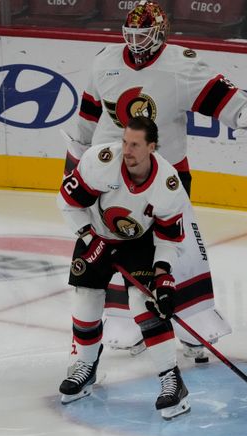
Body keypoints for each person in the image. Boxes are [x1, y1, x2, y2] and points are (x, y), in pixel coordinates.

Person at [61, 0, 247, 361]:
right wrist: (74, 163)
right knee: (116, 247)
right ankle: (124, 320)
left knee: (174, 247)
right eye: (131, 35)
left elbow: (222, 96)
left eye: (144, 35)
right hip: (108, 177)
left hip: (163, 178)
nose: (136, 43)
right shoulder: (105, 59)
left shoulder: (180, 66)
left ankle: (192, 322)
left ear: (160, 33)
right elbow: (88, 117)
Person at [57, 117, 192, 420]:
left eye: (135, 145)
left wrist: (163, 276)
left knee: (145, 305)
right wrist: (90, 239)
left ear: (152, 147)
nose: (126, 150)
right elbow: (67, 202)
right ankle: (85, 366)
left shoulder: (168, 183)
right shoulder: (100, 161)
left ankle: (172, 381)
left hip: (139, 243)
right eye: (125, 142)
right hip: (95, 234)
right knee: (86, 298)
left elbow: (170, 236)